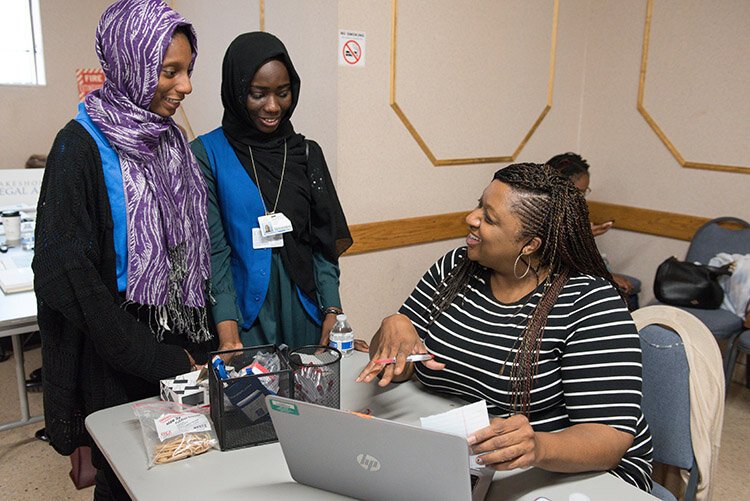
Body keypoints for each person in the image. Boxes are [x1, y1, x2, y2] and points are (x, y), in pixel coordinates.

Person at [357, 163, 653, 492]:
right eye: (478, 204)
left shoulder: (589, 303)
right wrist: (394, 327)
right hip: (469, 456)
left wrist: (537, 447)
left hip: (567, 469)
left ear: (529, 244)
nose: (471, 217)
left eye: (489, 216)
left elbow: (608, 440)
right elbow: (399, 369)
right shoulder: (454, 267)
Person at [32, 1, 212, 498]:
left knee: (189, 472)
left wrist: (190, 352)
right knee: (128, 481)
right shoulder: (78, 149)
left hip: (178, 346)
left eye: (188, 70)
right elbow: (65, 274)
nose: (186, 87)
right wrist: (153, 357)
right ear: (130, 63)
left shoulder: (170, 142)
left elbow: (190, 255)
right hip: (118, 361)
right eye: (170, 71)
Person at [191, 32, 354, 352]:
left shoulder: (306, 154)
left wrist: (333, 311)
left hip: (306, 312)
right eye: (258, 94)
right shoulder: (205, 154)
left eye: (283, 93)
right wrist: (228, 333)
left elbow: (322, 245)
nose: (273, 106)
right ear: (236, 92)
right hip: (243, 322)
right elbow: (214, 252)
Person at [546, 152, 640, 309]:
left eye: (585, 192)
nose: (582, 198)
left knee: (628, 295)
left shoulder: (569, 214)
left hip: (576, 278)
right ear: (561, 187)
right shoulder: (539, 215)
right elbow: (560, 263)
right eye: (580, 192)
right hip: (556, 285)